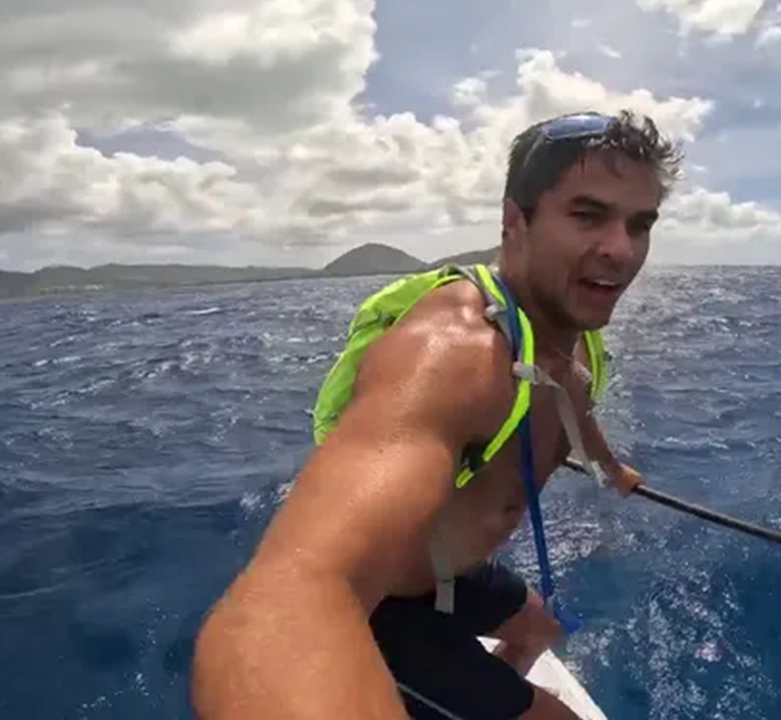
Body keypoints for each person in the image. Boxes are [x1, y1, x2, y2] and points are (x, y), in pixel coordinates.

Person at [190, 109, 685, 720]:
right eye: (587, 215)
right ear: (515, 221)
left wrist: (608, 465)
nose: (620, 249)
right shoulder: (454, 353)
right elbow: (287, 603)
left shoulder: (573, 332)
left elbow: (569, 393)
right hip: (386, 612)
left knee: (541, 631)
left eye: (640, 225)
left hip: (453, 577)